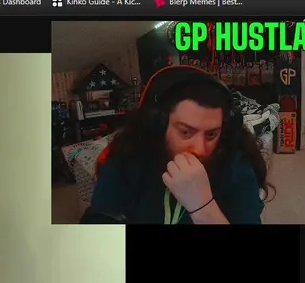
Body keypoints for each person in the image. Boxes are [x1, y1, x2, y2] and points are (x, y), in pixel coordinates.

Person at [87, 65, 271, 224]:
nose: (199, 149)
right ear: (158, 125)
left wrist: (203, 207)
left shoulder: (237, 167)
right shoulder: (125, 159)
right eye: (185, 132)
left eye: (211, 134)